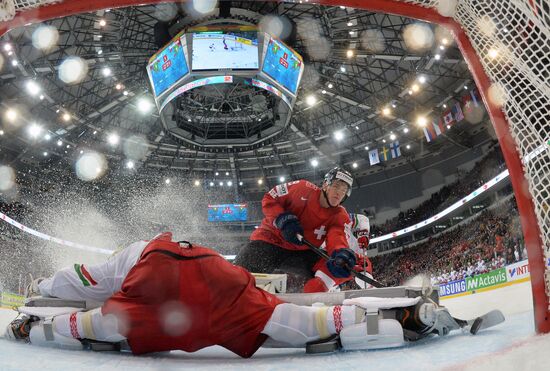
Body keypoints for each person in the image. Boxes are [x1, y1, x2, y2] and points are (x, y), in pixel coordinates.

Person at [5, 232, 441, 356]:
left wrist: (43, 288)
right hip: (221, 280)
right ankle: (402, 318)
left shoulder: (134, 253)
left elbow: (81, 280)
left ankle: (30, 329)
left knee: (91, 327)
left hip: (155, 302)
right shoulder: (187, 249)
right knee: (307, 323)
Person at [233, 167, 357, 293]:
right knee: (237, 273)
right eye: (336, 186)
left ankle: (310, 294)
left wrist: (340, 254)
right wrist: (282, 219)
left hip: (302, 252)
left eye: (344, 190)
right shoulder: (301, 188)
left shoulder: (340, 215)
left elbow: (337, 237)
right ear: (325, 184)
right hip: (270, 241)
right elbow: (270, 197)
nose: (339, 193)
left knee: (334, 265)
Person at [307, 212, 375, 292]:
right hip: (335, 261)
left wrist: (364, 233)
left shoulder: (341, 217)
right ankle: (331, 288)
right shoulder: (311, 231)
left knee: (363, 274)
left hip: (355, 254)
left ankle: (370, 287)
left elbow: (363, 219)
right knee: (321, 278)